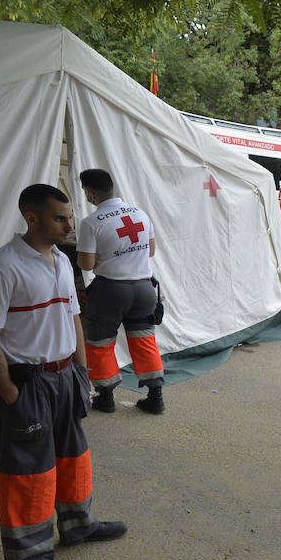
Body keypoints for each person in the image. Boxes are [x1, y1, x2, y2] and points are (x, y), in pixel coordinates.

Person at [0, 184, 127, 560]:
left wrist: (82, 372)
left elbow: (74, 319)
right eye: (60, 218)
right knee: (28, 472)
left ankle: (79, 524)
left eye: (70, 216)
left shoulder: (61, 260)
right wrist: (9, 393)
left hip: (65, 378)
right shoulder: (0, 268)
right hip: (28, 383)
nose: (69, 225)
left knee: (73, 455)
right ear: (32, 218)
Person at [75, 168, 166, 414]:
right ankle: (155, 396)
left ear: (91, 192)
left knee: (100, 344)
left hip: (110, 291)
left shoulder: (91, 223)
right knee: (144, 341)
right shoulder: (140, 214)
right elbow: (151, 251)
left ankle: (105, 398)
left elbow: (86, 264)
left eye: (85, 192)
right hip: (144, 288)